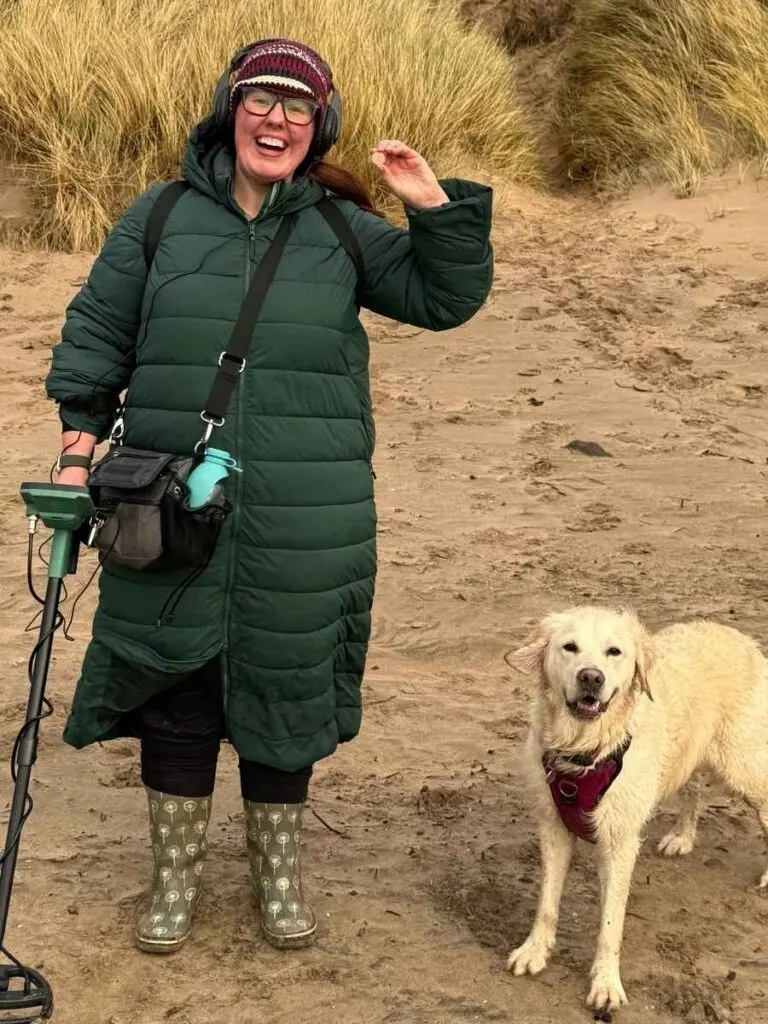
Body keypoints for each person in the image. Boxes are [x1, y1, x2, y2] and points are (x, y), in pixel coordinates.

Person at [45, 37, 493, 954]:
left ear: (316, 125)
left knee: (285, 684)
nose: (277, 119)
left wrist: (434, 209)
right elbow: (99, 325)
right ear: (230, 108)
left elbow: (444, 300)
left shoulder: (338, 228)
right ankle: (172, 880)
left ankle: (277, 877)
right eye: (261, 100)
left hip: (306, 508)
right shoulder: (160, 217)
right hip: (162, 499)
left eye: (297, 106)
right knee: (174, 685)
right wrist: (75, 442)